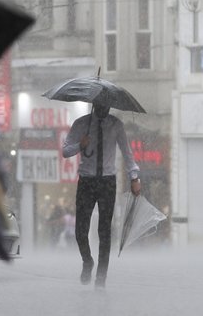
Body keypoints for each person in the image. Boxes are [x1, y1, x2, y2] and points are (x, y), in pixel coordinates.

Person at [62, 104, 140, 288]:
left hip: (107, 182)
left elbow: (127, 153)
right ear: (95, 103)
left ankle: (101, 278)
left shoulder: (116, 125)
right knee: (81, 231)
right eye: (101, 101)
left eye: (107, 102)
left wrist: (134, 176)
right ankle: (87, 261)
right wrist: (80, 145)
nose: (105, 107)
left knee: (104, 233)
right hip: (87, 181)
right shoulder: (81, 124)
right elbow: (65, 151)